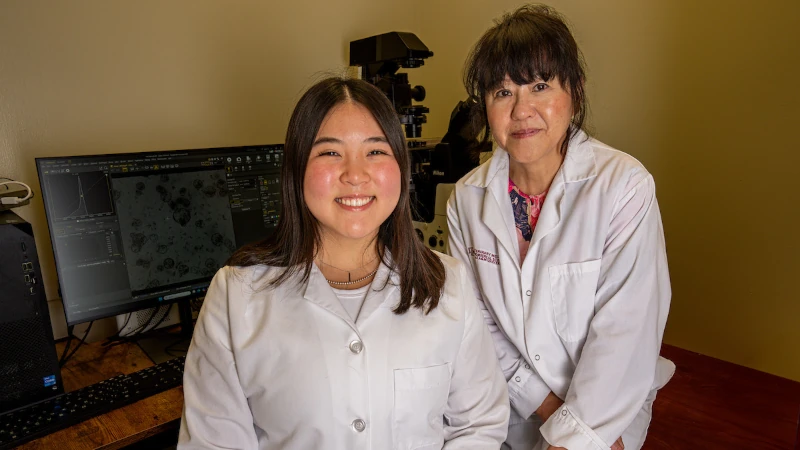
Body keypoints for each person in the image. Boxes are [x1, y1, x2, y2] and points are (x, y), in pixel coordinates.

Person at [178, 77, 509, 449]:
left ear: (401, 166)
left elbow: (479, 426)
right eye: (330, 153)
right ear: (296, 169)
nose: (355, 174)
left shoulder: (448, 284)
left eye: (376, 151)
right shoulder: (235, 296)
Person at [446, 5, 675, 450]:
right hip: (510, 402)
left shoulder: (623, 186)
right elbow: (479, 327)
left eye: (540, 85)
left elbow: (625, 330)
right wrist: (547, 407)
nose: (521, 110)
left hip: (608, 409)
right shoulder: (467, 200)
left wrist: (582, 434)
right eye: (501, 92)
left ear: (576, 91)